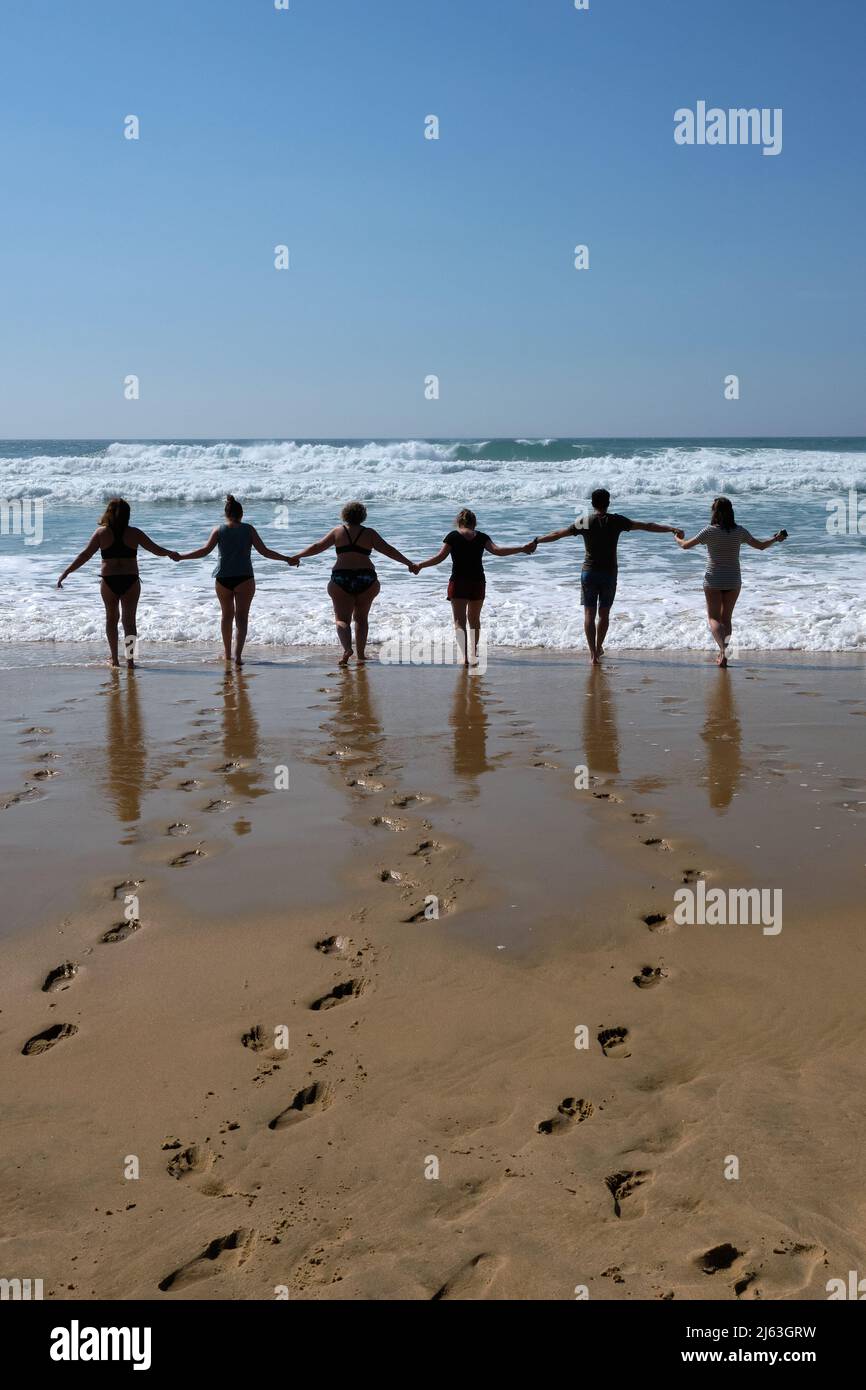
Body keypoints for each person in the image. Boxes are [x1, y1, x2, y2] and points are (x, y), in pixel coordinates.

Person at [533, 488, 681, 664]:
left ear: (592, 504)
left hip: (588, 573)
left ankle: (593, 654)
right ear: (608, 503)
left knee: (589, 613)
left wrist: (537, 541)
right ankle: (599, 646)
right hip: (609, 574)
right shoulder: (617, 521)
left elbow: (558, 534)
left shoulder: (585, 521)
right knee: (603, 614)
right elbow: (647, 526)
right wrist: (672, 529)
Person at [288, 501, 416, 665]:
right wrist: (409, 564)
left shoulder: (338, 531)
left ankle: (347, 649)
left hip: (341, 578)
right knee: (361, 619)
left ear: (344, 515)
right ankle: (361, 655)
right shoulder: (369, 533)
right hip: (366, 578)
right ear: (363, 516)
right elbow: (389, 550)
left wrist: (297, 556)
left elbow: (317, 546)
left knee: (342, 619)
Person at [56, 497, 179, 668]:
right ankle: (130, 661)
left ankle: (114, 659)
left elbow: (85, 555)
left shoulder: (101, 533)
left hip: (109, 581)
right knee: (129, 622)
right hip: (130, 581)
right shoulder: (134, 533)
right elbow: (155, 549)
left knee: (111, 619)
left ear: (108, 513)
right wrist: (170, 553)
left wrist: (66, 572)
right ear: (128, 515)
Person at [175, 494, 297, 665]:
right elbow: (265, 551)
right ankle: (238, 656)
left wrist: (181, 556)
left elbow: (204, 551)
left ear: (226, 514)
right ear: (242, 514)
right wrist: (287, 559)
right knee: (241, 618)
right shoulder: (248, 529)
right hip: (245, 578)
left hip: (223, 578)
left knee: (226, 616)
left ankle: (226, 654)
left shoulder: (218, 530)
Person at [413, 508, 537, 666]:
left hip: (458, 582)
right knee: (474, 619)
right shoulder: (482, 537)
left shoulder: (453, 536)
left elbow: (440, 557)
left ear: (458, 522)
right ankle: (474, 653)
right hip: (478, 582)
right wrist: (521, 548)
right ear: (474, 522)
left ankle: (464, 656)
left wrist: (420, 565)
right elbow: (498, 551)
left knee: (459, 621)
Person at [676, 496, 787, 666]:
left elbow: (684, 546)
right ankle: (724, 654)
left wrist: (677, 537)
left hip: (713, 579)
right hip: (734, 580)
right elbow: (761, 546)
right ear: (731, 512)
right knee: (726, 618)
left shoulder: (708, 531)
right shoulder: (739, 531)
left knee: (713, 618)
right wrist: (776, 539)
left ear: (715, 512)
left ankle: (723, 651)